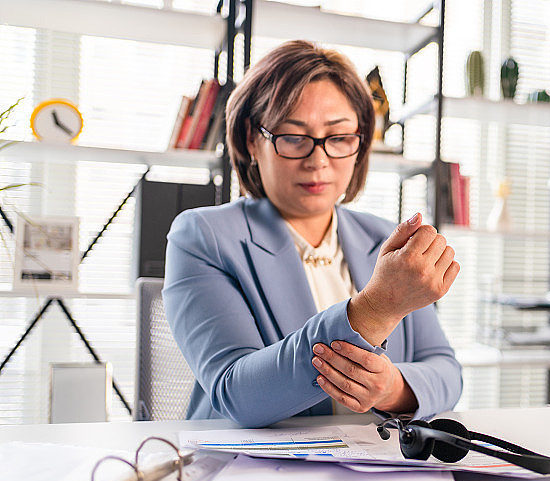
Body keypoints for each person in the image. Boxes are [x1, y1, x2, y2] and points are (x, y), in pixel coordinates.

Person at [163, 40, 462, 428]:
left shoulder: (384, 238)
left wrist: (392, 388)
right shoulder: (204, 236)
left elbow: (446, 371)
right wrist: (373, 310)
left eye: (338, 138)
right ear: (253, 140)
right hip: (251, 473)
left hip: (376, 469)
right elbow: (238, 394)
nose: (318, 159)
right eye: (293, 136)